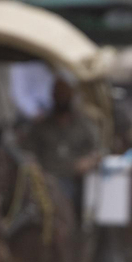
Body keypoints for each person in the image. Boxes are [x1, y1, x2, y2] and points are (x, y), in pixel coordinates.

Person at [23, 77, 103, 213]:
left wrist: (89, 161)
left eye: (65, 93)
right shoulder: (41, 126)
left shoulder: (84, 124)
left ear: (71, 94)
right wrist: (34, 167)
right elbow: (27, 152)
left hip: (75, 180)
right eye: (58, 93)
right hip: (46, 179)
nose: (61, 97)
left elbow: (98, 151)